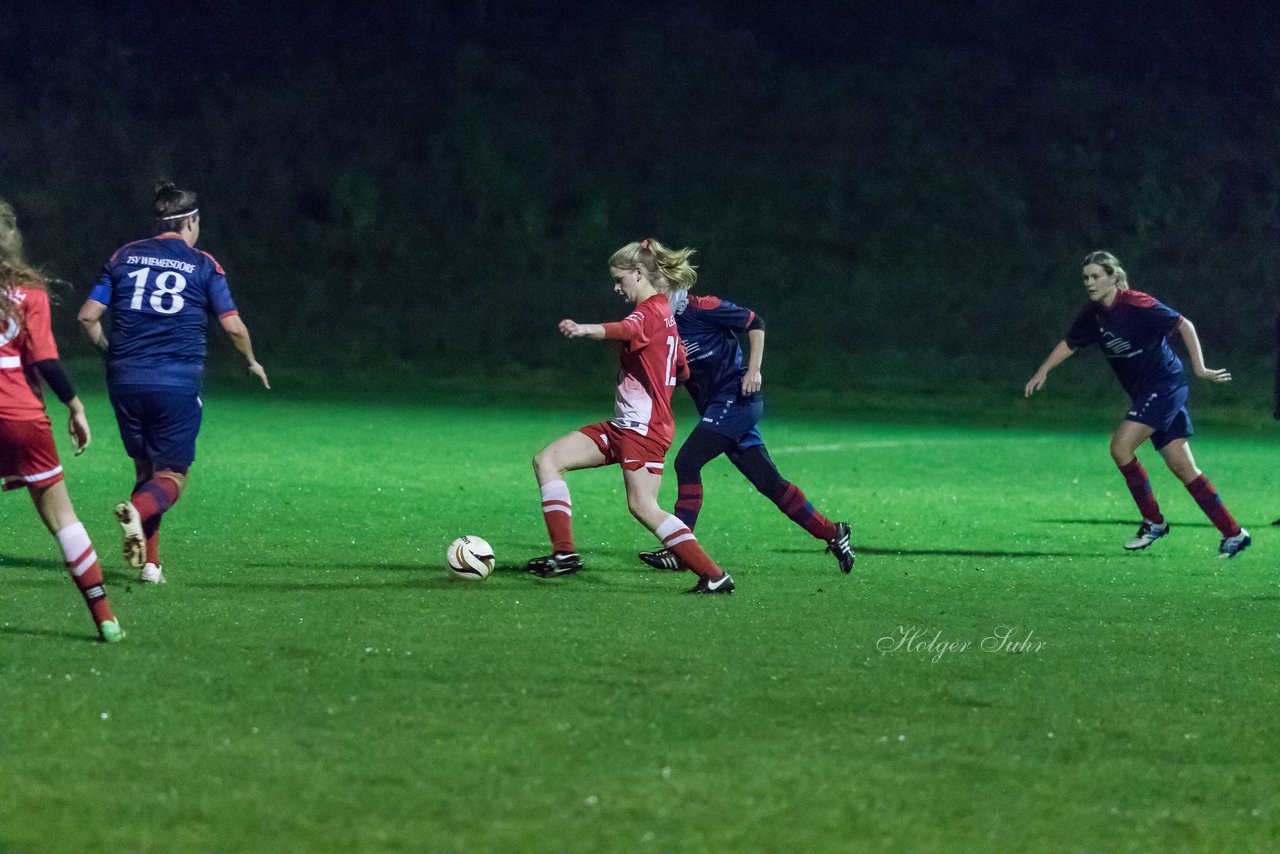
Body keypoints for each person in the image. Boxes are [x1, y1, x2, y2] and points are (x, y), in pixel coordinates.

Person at [78, 182, 269, 584]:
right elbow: (232, 326)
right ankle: (137, 511)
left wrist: (112, 355)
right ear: (191, 222)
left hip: (125, 379)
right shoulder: (203, 264)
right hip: (176, 381)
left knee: (146, 469)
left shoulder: (123, 256)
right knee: (173, 475)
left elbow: (87, 317)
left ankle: (152, 565)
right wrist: (250, 359)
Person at [527, 239, 735, 594]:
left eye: (619, 278)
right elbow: (682, 369)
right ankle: (564, 555)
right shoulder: (666, 316)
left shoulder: (651, 311)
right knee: (547, 459)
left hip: (643, 430)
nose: (616, 286)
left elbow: (628, 329)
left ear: (639, 274)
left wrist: (585, 329)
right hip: (627, 425)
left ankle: (714, 575)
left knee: (643, 506)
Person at [1025, 250, 1250, 558]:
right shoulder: (1093, 314)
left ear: (1113, 277)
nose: (1089, 282)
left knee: (1120, 447)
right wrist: (1043, 370)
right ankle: (1234, 533)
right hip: (1149, 392)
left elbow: (1184, 324)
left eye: (1096, 276)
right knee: (1183, 466)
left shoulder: (1136, 303)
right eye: (1086, 278)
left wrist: (1199, 368)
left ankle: (1154, 522)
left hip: (1165, 386)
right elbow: (1070, 344)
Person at [635, 278, 855, 574]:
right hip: (720, 408)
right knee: (768, 482)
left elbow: (756, 322)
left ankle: (679, 551)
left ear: (673, 282)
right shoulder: (662, 321)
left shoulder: (703, 307)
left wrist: (754, 370)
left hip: (737, 400)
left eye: (656, 282)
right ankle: (833, 532)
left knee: (687, 462)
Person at [0, 199, 124, 642]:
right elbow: (45, 359)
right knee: (63, 519)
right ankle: (105, 618)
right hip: (21, 415)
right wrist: (75, 406)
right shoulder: (30, 293)